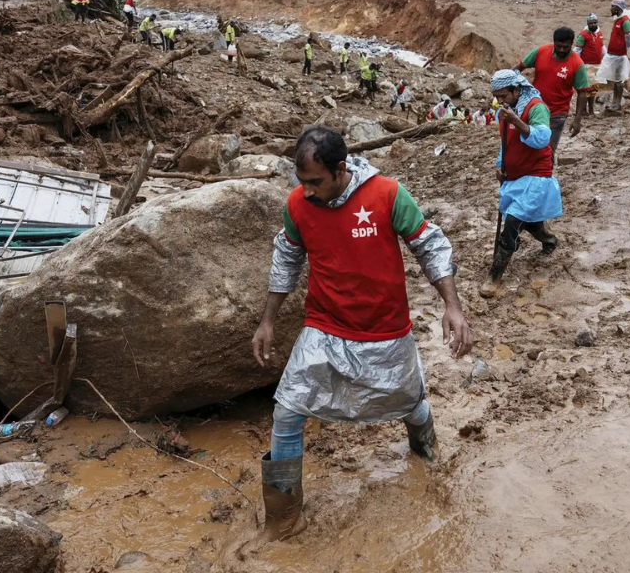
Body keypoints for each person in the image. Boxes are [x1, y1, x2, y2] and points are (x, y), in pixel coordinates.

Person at [253, 126, 473, 539]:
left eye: (315, 181)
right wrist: (267, 321)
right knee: (287, 410)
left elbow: (429, 245)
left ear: (340, 169)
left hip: (385, 329)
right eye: (301, 181)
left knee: (409, 403)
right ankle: (284, 519)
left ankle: (426, 453)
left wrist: (453, 306)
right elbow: (286, 260)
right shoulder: (298, 205)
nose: (307, 191)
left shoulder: (388, 194)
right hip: (324, 326)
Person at [480, 69, 562, 298]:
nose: (500, 101)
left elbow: (542, 139)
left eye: (503, 96)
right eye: (496, 97)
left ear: (516, 90)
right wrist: (501, 165)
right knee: (528, 222)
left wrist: (516, 121)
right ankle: (549, 240)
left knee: (512, 223)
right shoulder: (504, 112)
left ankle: (494, 276)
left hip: (536, 176)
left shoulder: (536, 107)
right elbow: (505, 143)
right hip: (514, 176)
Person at [514, 27, 595, 153]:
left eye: (565, 47)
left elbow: (582, 92)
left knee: (548, 151)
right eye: (558, 46)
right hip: (534, 109)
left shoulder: (577, 64)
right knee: (528, 147)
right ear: (554, 42)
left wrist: (577, 120)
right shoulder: (541, 52)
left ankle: (549, 165)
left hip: (557, 113)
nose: (561, 50)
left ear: (571, 44)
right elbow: (519, 67)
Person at [596, 0, 630, 113]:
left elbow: (629, 38)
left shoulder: (625, 21)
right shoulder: (617, 19)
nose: (611, 9)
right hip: (614, 54)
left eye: (612, 6)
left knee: (619, 80)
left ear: (617, 8)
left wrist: (625, 50)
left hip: (620, 55)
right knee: (616, 79)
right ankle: (615, 102)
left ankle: (617, 103)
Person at [572, 13, 603, 116]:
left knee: (594, 88)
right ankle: (583, 110)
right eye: (591, 23)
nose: (593, 25)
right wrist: (577, 65)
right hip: (586, 66)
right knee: (586, 89)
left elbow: (602, 48)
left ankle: (591, 110)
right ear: (588, 24)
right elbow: (577, 50)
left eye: (595, 23)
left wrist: (606, 59)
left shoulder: (599, 34)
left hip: (596, 66)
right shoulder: (583, 35)